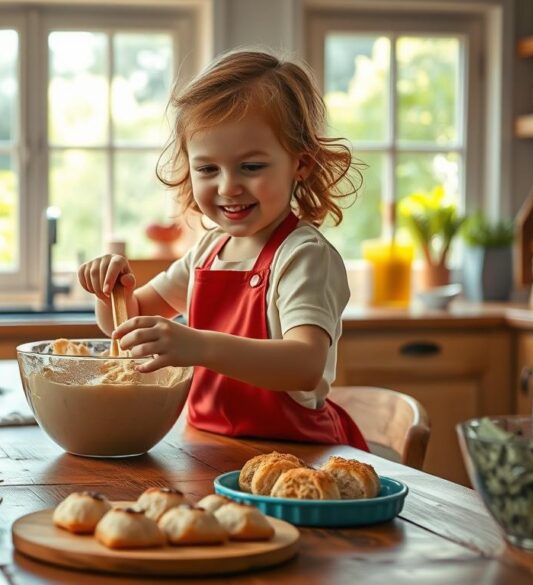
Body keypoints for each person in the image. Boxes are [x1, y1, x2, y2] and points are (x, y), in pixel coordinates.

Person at [77, 50, 368, 449]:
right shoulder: (208, 251)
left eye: (251, 167)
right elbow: (127, 322)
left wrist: (197, 345)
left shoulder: (304, 256)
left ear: (300, 164)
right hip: (209, 447)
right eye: (208, 169)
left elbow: (304, 365)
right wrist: (111, 290)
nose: (228, 187)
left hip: (295, 455)